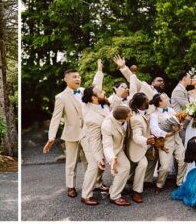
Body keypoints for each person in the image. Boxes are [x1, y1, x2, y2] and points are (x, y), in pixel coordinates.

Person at [43, 68, 89, 198]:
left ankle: (94, 183)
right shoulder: (61, 97)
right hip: (71, 134)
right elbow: (56, 118)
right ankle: (71, 186)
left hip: (87, 133)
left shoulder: (85, 91)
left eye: (79, 76)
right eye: (74, 77)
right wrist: (51, 137)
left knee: (89, 160)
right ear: (66, 79)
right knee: (71, 162)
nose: (78, 79)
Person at [77, 60, 108, 205]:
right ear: (93, 98)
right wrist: (98, 156)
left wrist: (99, 70)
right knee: (94, 164)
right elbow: (94, 140)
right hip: (89, 139)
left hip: (97, 138)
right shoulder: (90, 116)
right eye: (101, 92)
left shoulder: (96, 101)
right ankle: (86, 195)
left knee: (100, 162)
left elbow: (97, 86)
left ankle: (97, 183)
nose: (104, 92)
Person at [149, 93, 185, 192]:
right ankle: (159, 184)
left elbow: (178, 121)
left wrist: (180, 126)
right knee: (164, 167)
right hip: (165, 143)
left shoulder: (171, 110)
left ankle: (179, 182)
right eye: (165, 98)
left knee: (182, 160)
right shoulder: (154, 115)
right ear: (160, 102)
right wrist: (167, 134)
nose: (168, 99)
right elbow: (154, 130)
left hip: (177, 140)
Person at [127, 92, 157, 203]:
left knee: (154, 157)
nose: (149, 101)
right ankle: (137, 191)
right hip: (137, 147)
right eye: (147, 100)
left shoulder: (145, 111)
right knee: (143, 163)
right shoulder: (135, 118)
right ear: (142, 103)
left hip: (148, 145)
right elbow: (136, 137)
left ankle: (145, 180)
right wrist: (146, 140)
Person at [101, 105, 133, 206]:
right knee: (124, 168)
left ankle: (114, 188)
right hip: (115, 149)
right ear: (122, 118)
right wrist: (112, 158)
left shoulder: (121, 111)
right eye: (129, 115)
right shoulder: (107, 125)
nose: (131, 115)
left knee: (125, 168)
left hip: (122, 145)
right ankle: (114, 196)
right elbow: (107, 146)